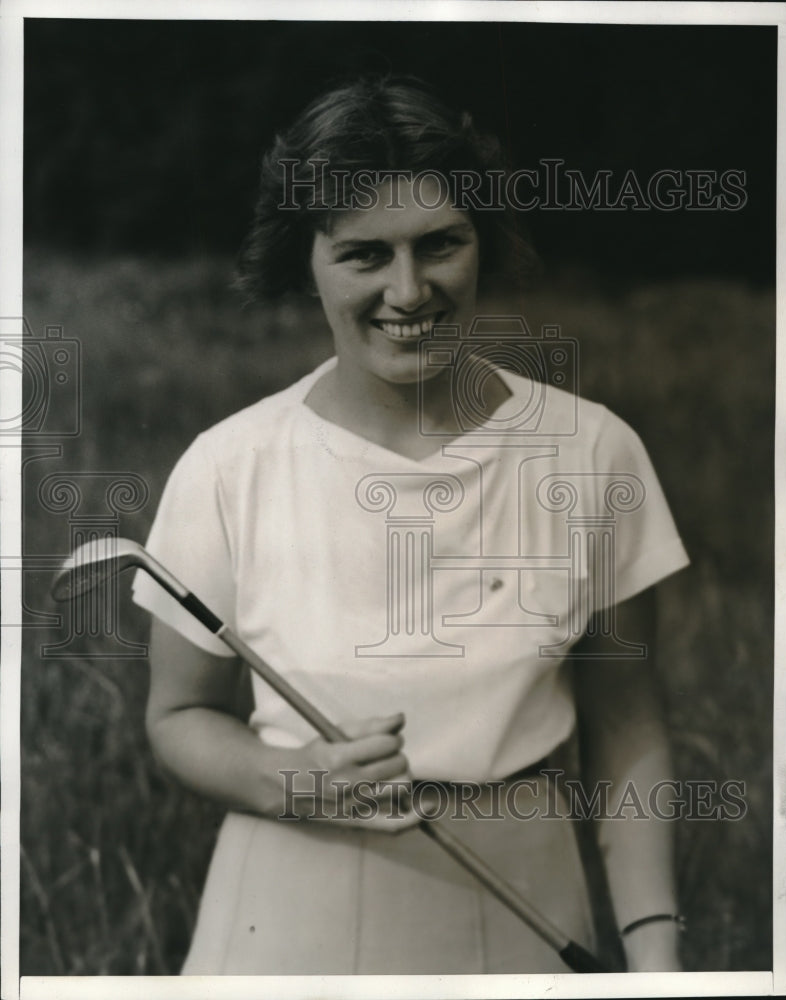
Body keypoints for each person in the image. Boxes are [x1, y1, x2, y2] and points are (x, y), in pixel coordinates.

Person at [132, 76, 690, 975]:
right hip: (285, 916)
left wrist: (655, 953)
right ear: (304, 261)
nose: (409, 289)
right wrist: (291, 779)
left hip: (527, 906)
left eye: (440, 244)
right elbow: (179, 714)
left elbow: (628, 730)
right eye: (364, 254)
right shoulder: (229, 466)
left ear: (482, 244)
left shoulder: (592, 453)